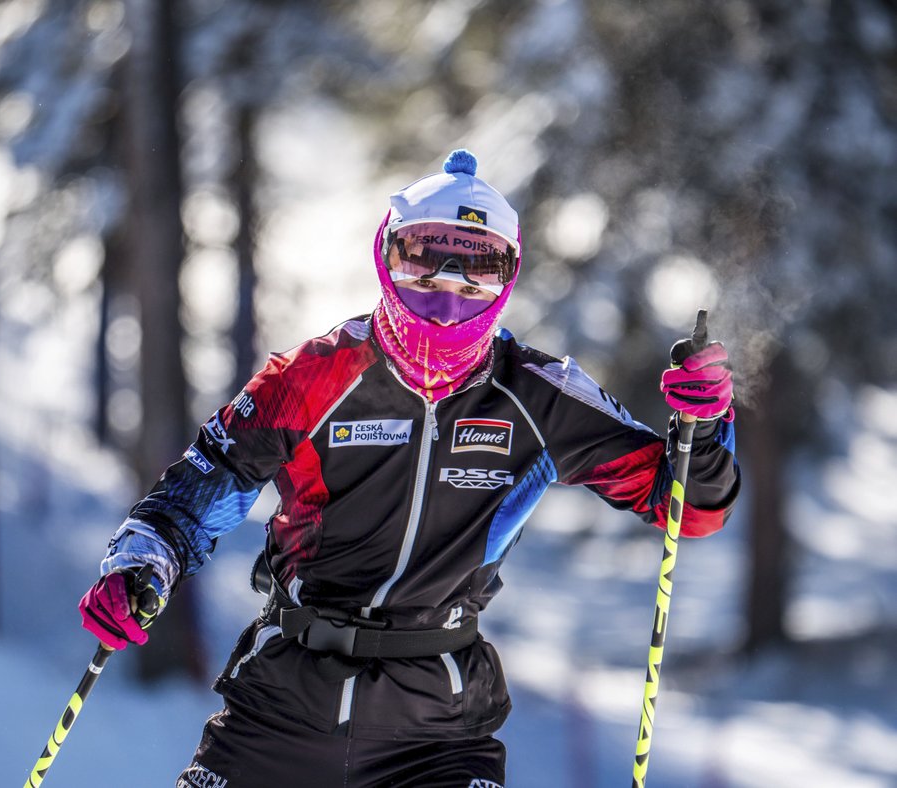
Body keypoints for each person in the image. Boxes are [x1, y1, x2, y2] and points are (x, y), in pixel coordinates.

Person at [79, 150, 740, 788]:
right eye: (423, 269)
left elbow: (686, 503)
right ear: (386, 258)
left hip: (438, 730)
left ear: (506, 281)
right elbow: (201, 489)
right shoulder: (314, 375)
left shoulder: (539, 394)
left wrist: (704, 427)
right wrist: (142, 565)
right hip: (285, 704)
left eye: (473, 277)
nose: (446, 299)